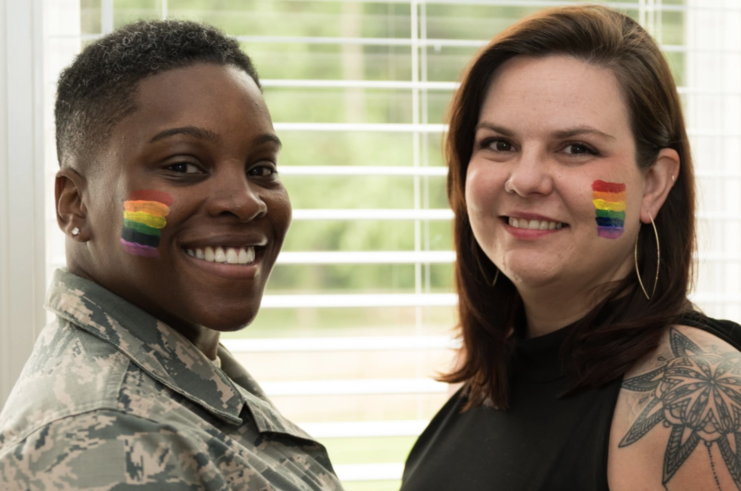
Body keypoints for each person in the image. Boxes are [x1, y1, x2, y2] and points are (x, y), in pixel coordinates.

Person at [401, 5, 741, 491]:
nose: (526, 180)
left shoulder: (690, 398)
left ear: (652, 184)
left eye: (576, 148)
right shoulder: (492, 381)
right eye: (499, 144)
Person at [0, 20, 342, 491]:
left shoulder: (182, 378)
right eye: (182, 166)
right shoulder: (105, 439)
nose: (246, 201)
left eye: (261, 168)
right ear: (74, 203)